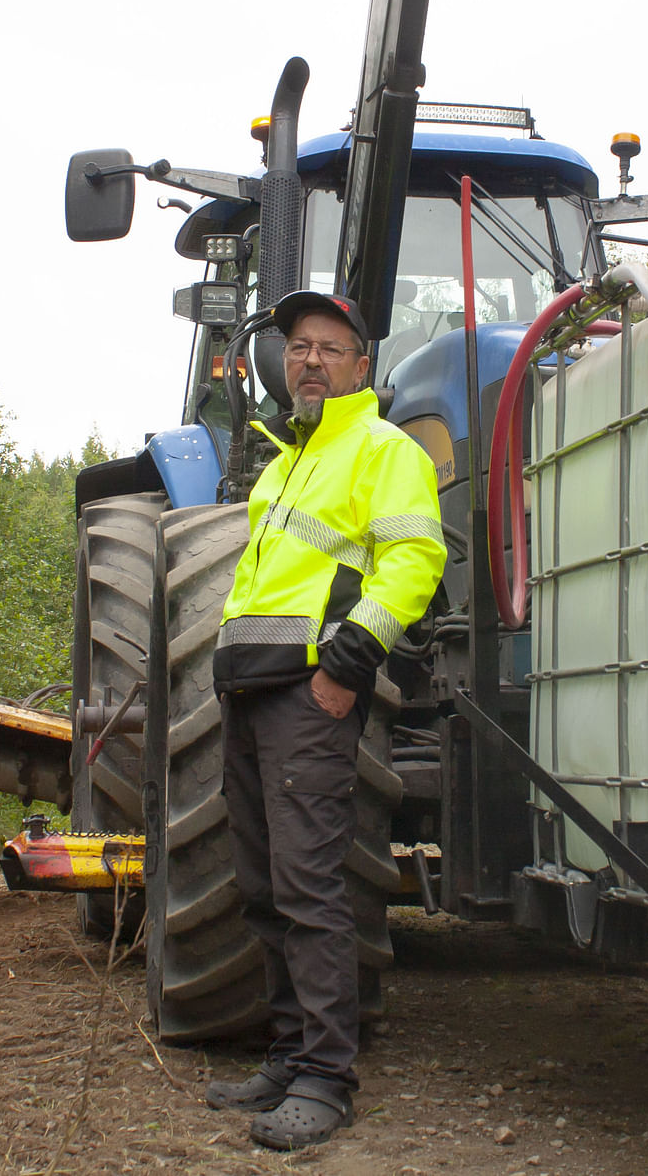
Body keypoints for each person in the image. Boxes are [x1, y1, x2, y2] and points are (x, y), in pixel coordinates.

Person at [202, 290, 448, 1151]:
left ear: (360, 365)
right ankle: (288, 1049)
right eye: (299, 346)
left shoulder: (382, 449)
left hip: (311, 693)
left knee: (310, 887)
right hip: (252, 690)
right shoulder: (283, 462)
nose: (309, 359)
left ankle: (326, 1077)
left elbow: (415, 557)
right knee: (265, 884)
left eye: (328, 348)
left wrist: (348, 666)